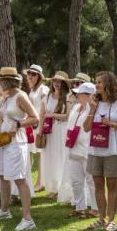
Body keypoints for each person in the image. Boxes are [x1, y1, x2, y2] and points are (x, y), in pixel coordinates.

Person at [0, 68, 40, 231]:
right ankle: (4, 210)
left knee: (19, 179)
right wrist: (3, 109)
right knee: (3, 176)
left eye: (1, 80)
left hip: (17, 143)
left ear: (7, 81)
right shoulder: (7, 96)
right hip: (3, 141)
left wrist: (18, 124)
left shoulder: (20, 96)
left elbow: (35, 117)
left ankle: (27, 218)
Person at [83, 72, 117, 231]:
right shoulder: (94, 103)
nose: (96, 85)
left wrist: (110, 123)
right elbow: (86, 127)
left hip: (113, 150)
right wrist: (91, 109)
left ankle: (111, 220)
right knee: (98, 184)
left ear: (108, 84)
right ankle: (101, 219)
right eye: (96, 82)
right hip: (95, 149)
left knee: (111, 185)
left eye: (99, 82)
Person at [65, 82, 95, 218]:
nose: (77, 96)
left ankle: (95, 208)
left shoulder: (94, 109)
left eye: (80, 94)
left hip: (87, 149)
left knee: (91, 180)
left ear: (89, 96)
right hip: (73, 147)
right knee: (76, 180)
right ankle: (80, 207)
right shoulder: (76, 107)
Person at [40, 71, 71, 200]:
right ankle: (52, 187)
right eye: (54, 81)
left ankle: (61, 187)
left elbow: (67, 116)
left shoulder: (67, 97)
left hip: (62, 130)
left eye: (59, 81)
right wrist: (40, 131)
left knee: (61, 157)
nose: (56, 84)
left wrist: (52, 115)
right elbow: (42, 115)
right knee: (50, 157)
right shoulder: (46, 97)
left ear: (63, 83)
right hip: (49, 131)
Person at [25, 65, 49, 193]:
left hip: (39, 125)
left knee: (40, 153)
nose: (30, 76)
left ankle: (41, 182)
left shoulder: (43, 89)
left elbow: (45, 106)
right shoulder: (32, 90)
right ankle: (35, 181)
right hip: (32, 124)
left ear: (39, 76)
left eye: (33, 74)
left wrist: (40, 124)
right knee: (31, 152)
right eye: (29, 73)